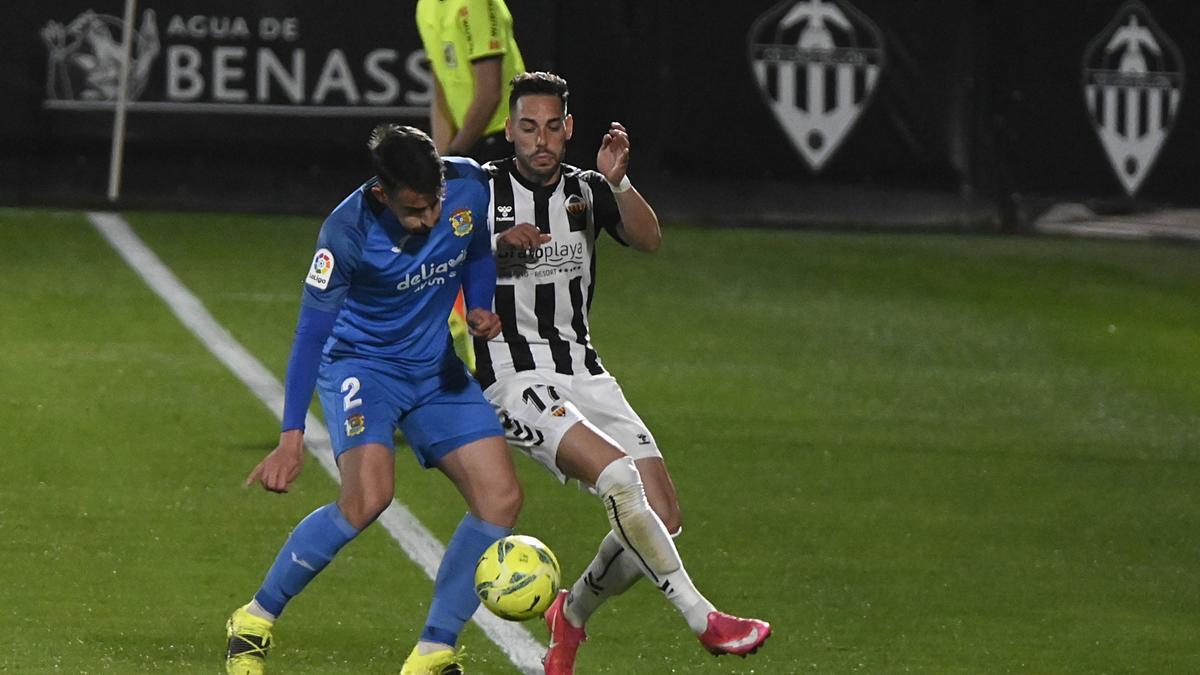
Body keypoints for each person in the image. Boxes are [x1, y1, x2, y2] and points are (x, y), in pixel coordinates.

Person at [475, 72, 772, 674]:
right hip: (514, 377)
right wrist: (496, 244)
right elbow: (436, 248)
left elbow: (649, 238)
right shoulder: (480, 190)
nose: (541, 140)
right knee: (616, 476)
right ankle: (703, 617)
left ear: (569, 129)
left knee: (663, 517)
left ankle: (571, 614)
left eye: (553, 127)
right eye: (528, 127)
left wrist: (621, 181)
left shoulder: (586, 190)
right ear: (509, 130)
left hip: (585, 371)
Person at [224, 124, 521, 675]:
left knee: (499, 499)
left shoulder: (468, 185)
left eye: (433, 204)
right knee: (367, 499)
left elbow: (475, 245)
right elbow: (311, 335)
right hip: (362, 366)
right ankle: (255, 618)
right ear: (382, 193)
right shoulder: (347, 230)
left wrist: (479, 305)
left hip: (434, 368)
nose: (429, 218)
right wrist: (292, 437)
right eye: (414, 211)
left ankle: (433, 652)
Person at [416, 0, 525, 372]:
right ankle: (472, 373)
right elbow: (442, 92)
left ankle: (513, 377)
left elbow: (490, 93)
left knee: (504, 269)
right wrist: (440, 162)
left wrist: (457, 157)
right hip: (468, 150)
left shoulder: (477, 4)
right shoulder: (427, 7)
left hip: (503, 146)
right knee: (453, 258)